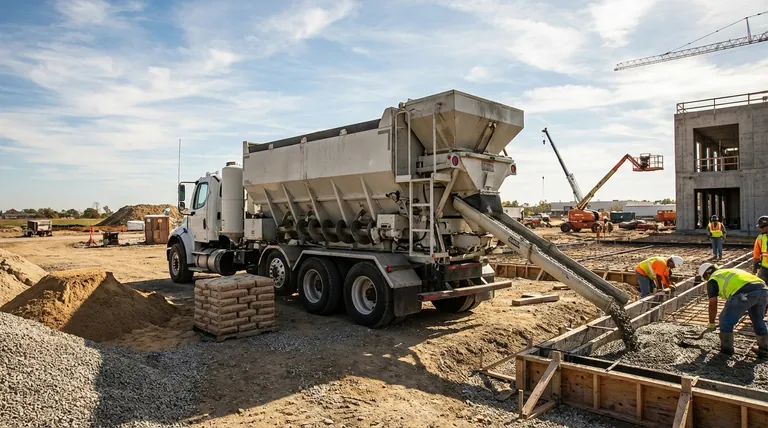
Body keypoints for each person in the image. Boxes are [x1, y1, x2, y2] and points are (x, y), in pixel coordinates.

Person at [699, 262, 768, 356]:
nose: (707, 280)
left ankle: (726, 348)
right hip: (763, 289)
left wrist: (711, 323)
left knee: (725, 319)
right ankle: (765, 347)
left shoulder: (713, 279)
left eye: (705, 278)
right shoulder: (729, 271)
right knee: (758, 318)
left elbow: (713, 303)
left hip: (744, 293)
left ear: (707, 274)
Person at [753, 216, 768, 283]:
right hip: (764, 269)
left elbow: (756, 256)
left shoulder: (760, 238)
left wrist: (754, 269)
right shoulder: (760, 238)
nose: (760, 229)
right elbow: (756, 256)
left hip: (765, 270)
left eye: (761, 227)